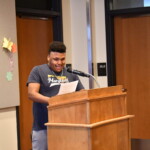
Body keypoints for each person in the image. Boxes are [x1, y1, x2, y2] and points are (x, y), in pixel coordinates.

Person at [27, 41, 84, 150]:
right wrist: (53, 100)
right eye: (56, 59)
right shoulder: (38, 70)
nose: (59, 63)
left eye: (62, 59)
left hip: (66, 126)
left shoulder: (70, 73)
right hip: (42, 127)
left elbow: (82, 93)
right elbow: (31, 94)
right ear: (48, 57)